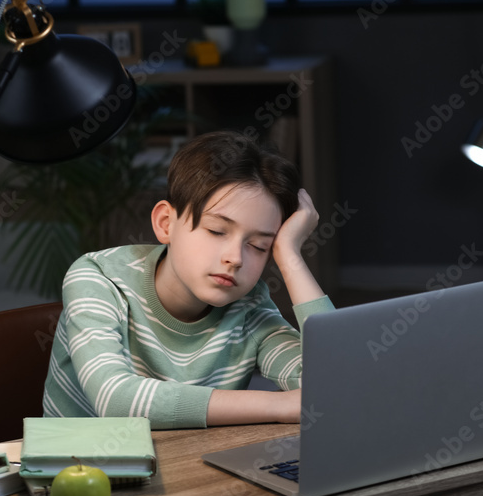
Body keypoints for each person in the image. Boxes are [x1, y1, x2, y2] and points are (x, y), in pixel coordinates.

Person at [42, 130, 334, 429]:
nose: (235, 258)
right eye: (217, 231)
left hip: (190, 465)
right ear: (166, 223)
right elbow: (116, 399)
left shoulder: (250, 306)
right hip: (80, 467)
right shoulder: (98, 277)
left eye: (259, 246)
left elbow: (339, 385)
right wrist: (279, 404)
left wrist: (290, 257)